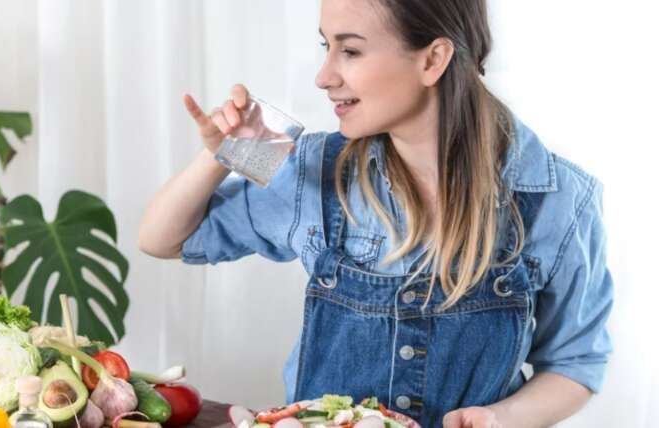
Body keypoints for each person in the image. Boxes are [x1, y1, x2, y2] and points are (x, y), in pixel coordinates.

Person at [138, 0, 613, 426]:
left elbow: (575, 363)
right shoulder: (315, 168)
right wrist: (221, 154)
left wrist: (498, 418)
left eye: (350, 51)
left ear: (432, 59)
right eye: (327, 46)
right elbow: (162, 239)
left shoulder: (558, 197)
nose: (323, 76)